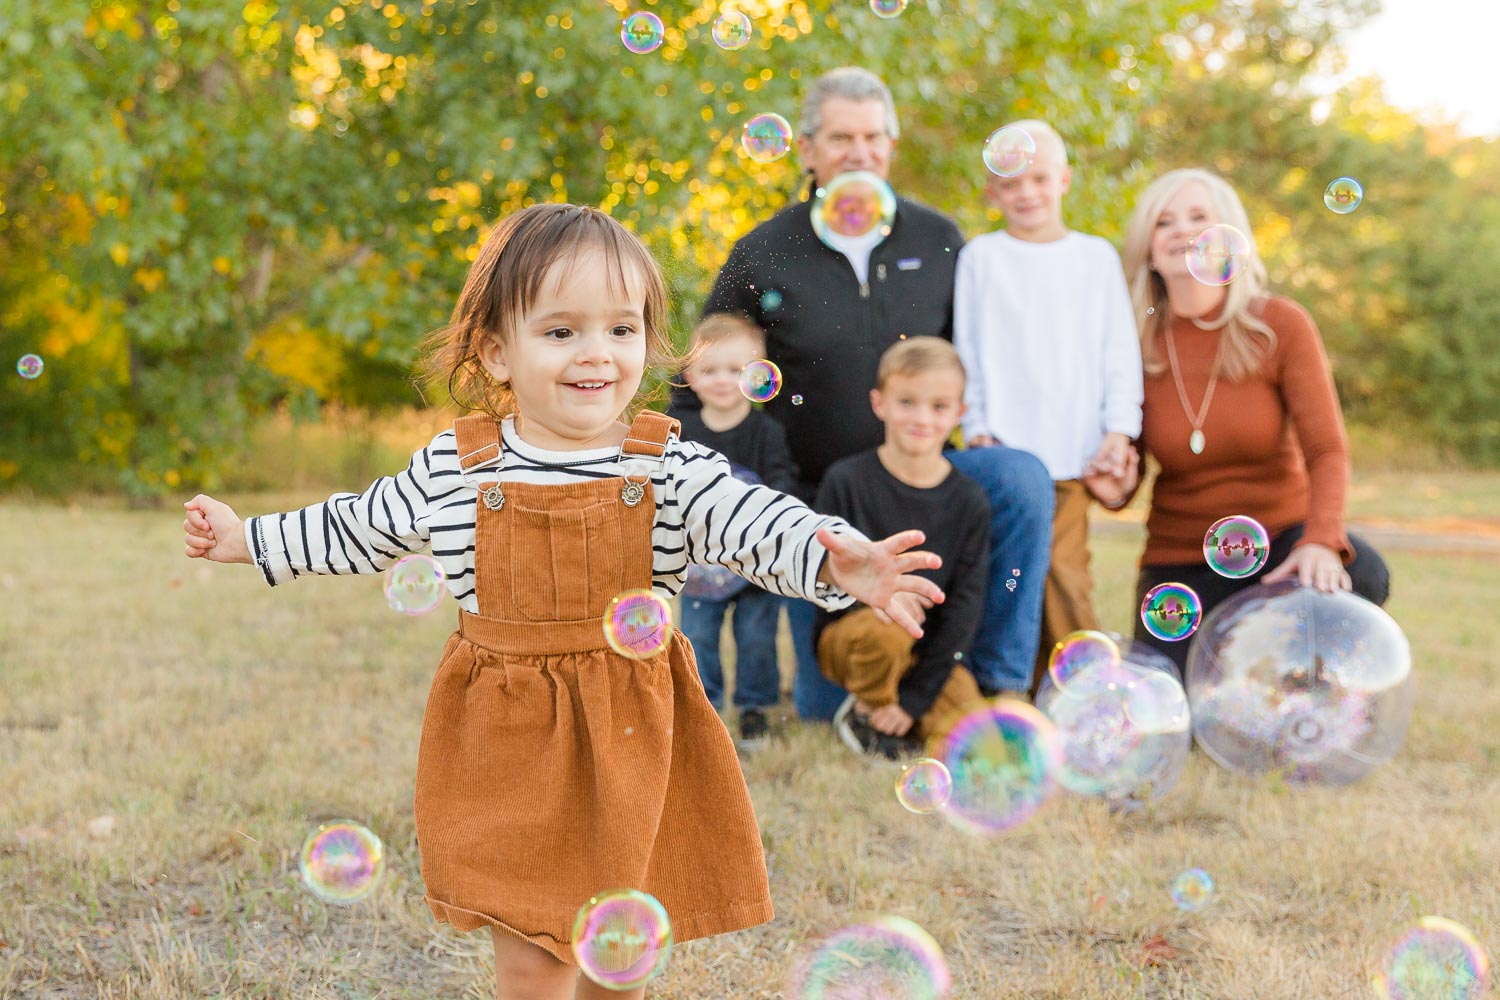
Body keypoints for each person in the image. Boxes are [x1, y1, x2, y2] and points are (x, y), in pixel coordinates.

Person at [179, 204, 946, 1000]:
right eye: (561, 332)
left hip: (632, 731)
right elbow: (361, 526)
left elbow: (750, 519)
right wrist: (251, 540)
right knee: (536, 954)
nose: (597, 355)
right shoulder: (462, 466)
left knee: (621, 946)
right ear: (497, 352)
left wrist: (830, 555)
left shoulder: (665, 466)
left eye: (622, 329)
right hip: (507, 735)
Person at [699, 66, 1055, 714]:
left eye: (871, 137)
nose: (858, 152)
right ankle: (870, 681)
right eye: (840, 138)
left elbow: (987, 355)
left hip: (925, 476)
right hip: (813, 503)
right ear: (806, 150)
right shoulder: (763, 252)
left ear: (890, 145)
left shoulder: (940, 239)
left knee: (1022, 478)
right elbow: (702, 376)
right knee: (818, 705)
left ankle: (999, 681)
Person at [1084, 169, 1391, 675]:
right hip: (1181, 556)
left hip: (1281, 542)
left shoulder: (1279, 325)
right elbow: (1130, 468)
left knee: (1364, 573)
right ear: (1148, 247)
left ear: (1228, 232)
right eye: (1164, 222)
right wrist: (1113, 487)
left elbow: (1327, 451)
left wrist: (1320, 540)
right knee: (1177, 702)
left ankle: (1312, 678)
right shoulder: (1132, 342)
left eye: (1198, 217)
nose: (1181, 230)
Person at [954, 119, 1143, 691]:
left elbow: (1118, 347)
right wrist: (977, 426)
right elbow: (971, 347)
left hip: (1073, 451)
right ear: (993, 192)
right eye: (1010, 182)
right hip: (1008, 452)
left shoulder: (1094, 257)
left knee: (1065, 575)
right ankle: (1025, 686)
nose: (1026, 192)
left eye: (1038, 178)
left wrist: (1120, 428)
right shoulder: (982, 257)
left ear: (1063, 179)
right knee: (1014, 575)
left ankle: (1090, 691)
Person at [816, 338, 991, 760]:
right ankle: (867, 709)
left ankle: (896, 717)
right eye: (906, 401)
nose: (922, 418)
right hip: (858, 635)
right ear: (879, 403)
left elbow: (964, 609)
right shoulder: (846, 481)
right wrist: (870, 601)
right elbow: (816, 577)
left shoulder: (970, 502)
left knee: (980, 748)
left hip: (927, 651)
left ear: (959, 414)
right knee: (888, 630)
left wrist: (914, 700)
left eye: (939, 406)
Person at [668, 313, 801, 750]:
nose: (722, 380)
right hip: (701, 564)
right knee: (699, 639)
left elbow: (782, 483)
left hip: (755, 562)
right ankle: (704, 710)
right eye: (709, 370)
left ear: (760, 376)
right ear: (689, 376)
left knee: (757, 638)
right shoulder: (683, 434)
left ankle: (755, 710)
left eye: (736, 370)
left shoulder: (767, 432)